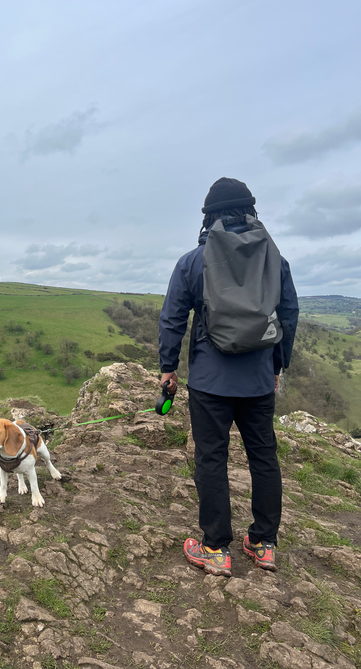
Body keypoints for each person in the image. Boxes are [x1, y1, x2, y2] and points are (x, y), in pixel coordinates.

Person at [158, 177, 298, 577]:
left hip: (210, 384)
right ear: (250, 212)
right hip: (257, 381)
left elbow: (172, 319)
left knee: (211, 459)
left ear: (209, 217)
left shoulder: (191, 262)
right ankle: (263, 543)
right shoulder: (276, 259)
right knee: (264, 458)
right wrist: (276, 366)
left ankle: (216, 548)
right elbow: (288, 315)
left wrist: (169, 368)